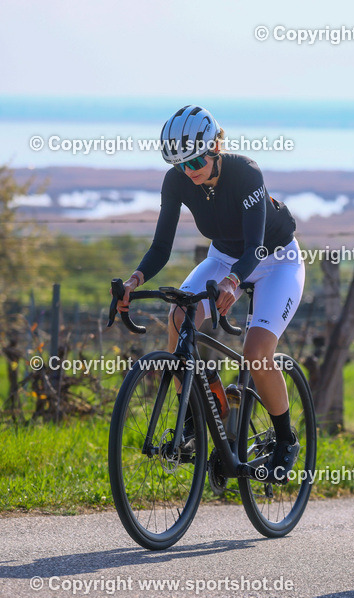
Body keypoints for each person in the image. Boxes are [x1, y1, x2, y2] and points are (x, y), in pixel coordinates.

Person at [116, 105, 305, 483]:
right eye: (181, 164)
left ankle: (286, 439)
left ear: (216, 146)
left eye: (196, 160)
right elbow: (161, 246)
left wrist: (234, 283)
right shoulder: (176, 180)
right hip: (222, 258)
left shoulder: (246, 172)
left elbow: (255, 247)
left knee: (256, 351)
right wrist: (134, 281)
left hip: (275, 261)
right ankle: (194, 418)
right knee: (179, 317)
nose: (190, 170)